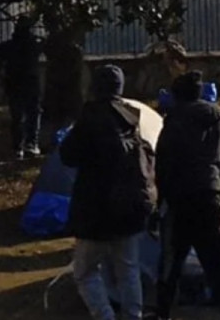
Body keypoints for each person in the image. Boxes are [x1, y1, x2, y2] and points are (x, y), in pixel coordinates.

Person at [61, 65, 156, 320]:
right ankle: (133, 314)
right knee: (128, 268)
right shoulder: (131, 117)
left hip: (96, 212)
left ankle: (104, 315)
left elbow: (68, 155)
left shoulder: (90, 117)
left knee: (85, 271)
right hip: (130, 210)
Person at [156, 71, 220, 320]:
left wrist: (162, 201)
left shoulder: (174, 120)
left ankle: (162, 314)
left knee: (171, 263)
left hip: (181, 199)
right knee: (217, 264)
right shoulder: (218, 119)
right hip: (210, 195)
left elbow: (163, 164)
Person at [0, 16, 43, 159]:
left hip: (14, 84)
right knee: (32, 114)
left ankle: (19, 147)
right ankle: (31, 144)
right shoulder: (34, 44)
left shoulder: (8, 46)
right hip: (30, 83)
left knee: (18, 116)